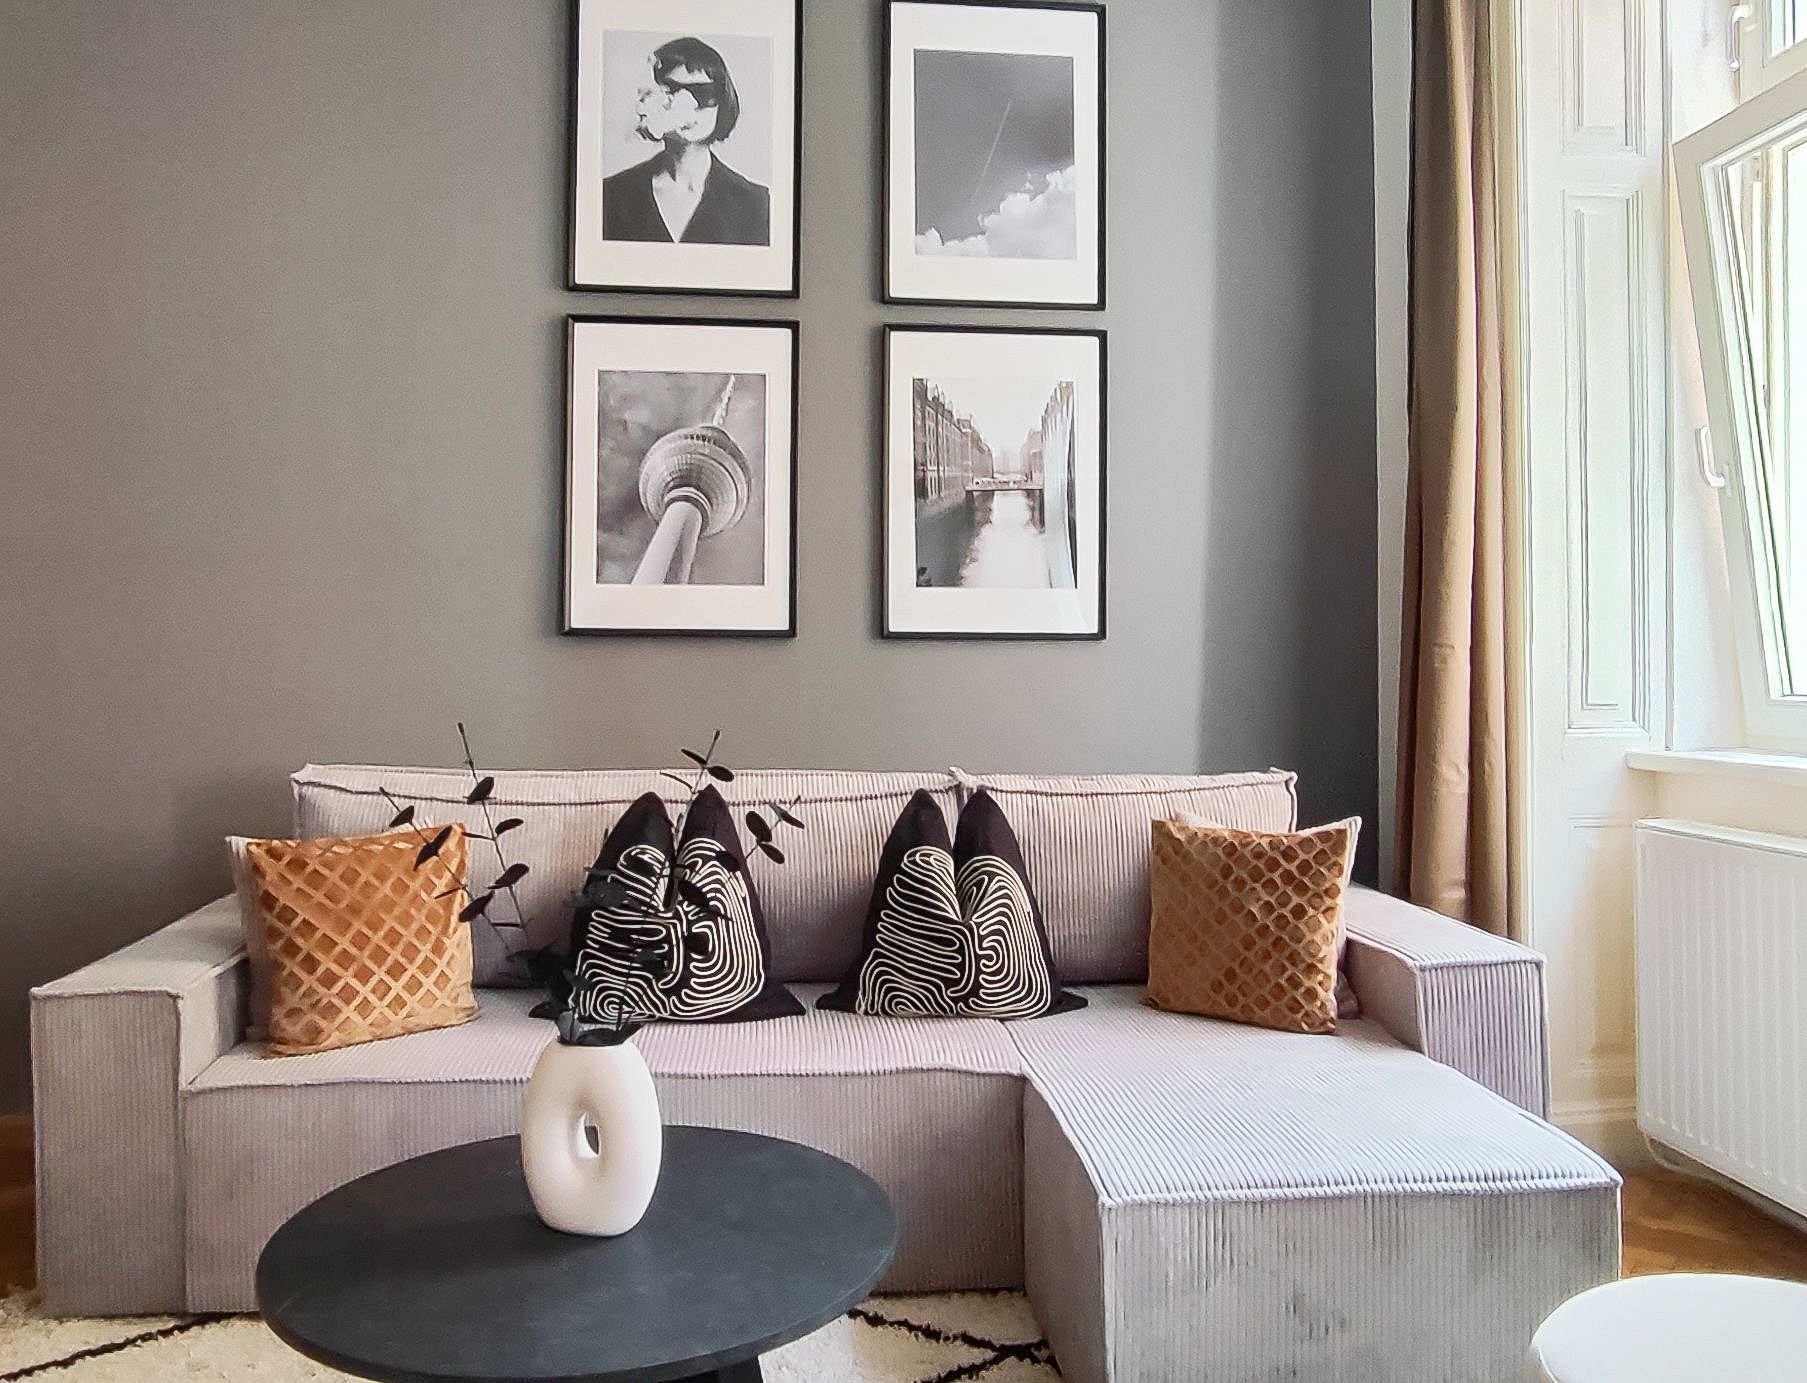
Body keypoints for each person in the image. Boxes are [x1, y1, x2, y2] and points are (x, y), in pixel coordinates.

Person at [603, 37, 770, 247]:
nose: (687, 105)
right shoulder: (612, 195)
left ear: (722, 101)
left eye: (703, 93)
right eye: (671, 91)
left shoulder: (754, 204)